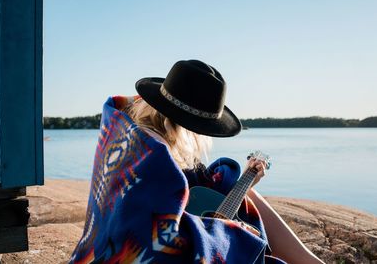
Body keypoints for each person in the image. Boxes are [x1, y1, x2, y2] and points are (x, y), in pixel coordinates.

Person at [70, 60, 323, 263]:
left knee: (241, 197)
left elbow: (172, 193)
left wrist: (244, 183)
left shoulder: (125, 133)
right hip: (128, 256)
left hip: (101, 248)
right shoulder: (153, 157)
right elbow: (159, 242)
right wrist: (233, 235)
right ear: (189, 126)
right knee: (249, 236)